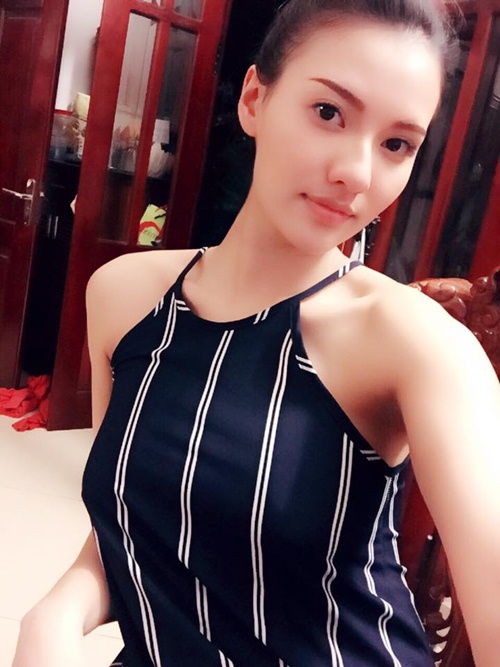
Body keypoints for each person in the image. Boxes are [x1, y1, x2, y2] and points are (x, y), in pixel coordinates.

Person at [13, 0, 500, 665]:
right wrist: (54, 613)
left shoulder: (415, 344)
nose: (357, 173)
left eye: (397, 145)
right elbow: (132, 519)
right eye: (328, 112)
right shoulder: (125, 298)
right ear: (253, 99)